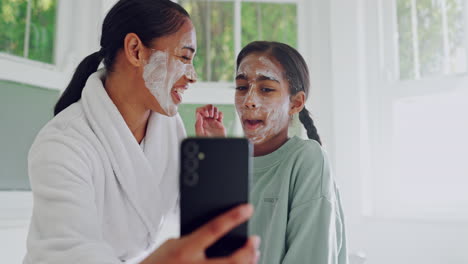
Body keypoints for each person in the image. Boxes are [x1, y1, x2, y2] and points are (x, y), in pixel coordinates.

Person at [24, 1, 259, 263]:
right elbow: (70, 253)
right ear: (136, 50)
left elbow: (178, 211)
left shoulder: (169, 128)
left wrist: (212, 171)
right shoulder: (62, 144)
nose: (192, 76)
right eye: (184, 57)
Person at [197, 41, 348, 264]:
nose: (249, 101)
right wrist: (220, 159)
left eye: (266, 89)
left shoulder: (307, 159)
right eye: (241, 87)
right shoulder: (228, 165)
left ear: (295, 103)